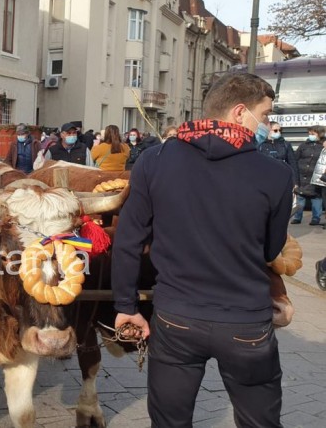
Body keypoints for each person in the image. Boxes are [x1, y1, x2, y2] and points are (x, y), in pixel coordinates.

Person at [113, 72, 291, 427]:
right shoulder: (276, 173)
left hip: (176, 316)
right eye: (264, 115)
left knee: (169, 422)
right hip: (245, 321)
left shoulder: (154, 160)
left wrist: (125, 307)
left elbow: (128, 241)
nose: (266, 125)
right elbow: (271, 248)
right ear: (240, 112)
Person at [292, 126, 325, 225]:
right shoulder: (303, 145)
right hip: (302, 176)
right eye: (309, 134)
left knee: (316, 198)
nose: (310, 136)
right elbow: (295, 159)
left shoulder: (323, 146)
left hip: (316, 178)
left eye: (313, 134)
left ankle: (316, 218)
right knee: (300, 197)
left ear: (320, 134)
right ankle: (297, 217)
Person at [258, 122, 300, 190]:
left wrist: (295, 182)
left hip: (283, 179)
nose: (278, 132)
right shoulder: (261, 145)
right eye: (275, 130)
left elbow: (293, 164)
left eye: (280, 130)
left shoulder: (285, 145)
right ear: (268, 130)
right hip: (266, 180)